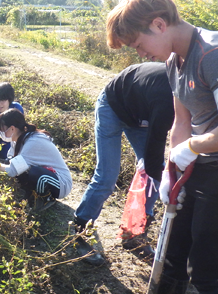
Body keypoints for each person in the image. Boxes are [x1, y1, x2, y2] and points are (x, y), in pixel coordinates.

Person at [107, 0, 218, 294]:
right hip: (203, 166)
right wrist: (171, 167)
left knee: (211, 273)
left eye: (137, 42)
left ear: (159, 23)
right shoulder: (174, 62)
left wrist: (193, 148)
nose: (139, 52)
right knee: (174, 249)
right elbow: (181, 121)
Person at [72, 62, 174, 265]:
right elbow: (158, 141)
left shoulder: (191, 97)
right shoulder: (168, 98)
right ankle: (79, 233)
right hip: (113, 105)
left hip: (141, 114)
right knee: (107, 176)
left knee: (155, 173)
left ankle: (134, 234)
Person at [0, 108, 72, 207]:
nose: (1, 134)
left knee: (36, 172)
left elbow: (11, 171)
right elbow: (10, 163)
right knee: (18, 168)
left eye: (3, 130)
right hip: (48, 174)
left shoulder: (32, 142)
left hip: (61, 183)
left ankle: (45, 199)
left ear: (12, 128)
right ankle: (30, 194)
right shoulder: (17, 140)